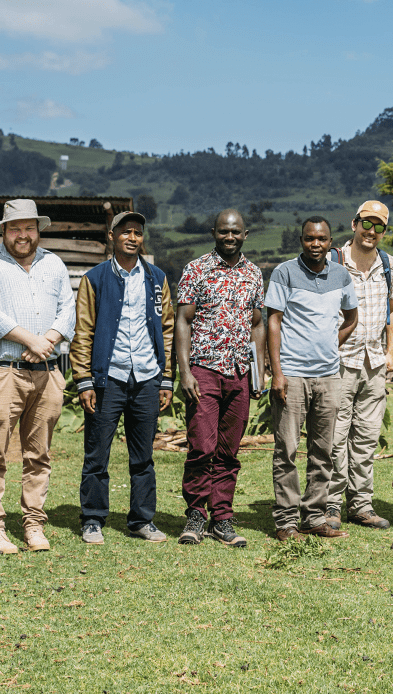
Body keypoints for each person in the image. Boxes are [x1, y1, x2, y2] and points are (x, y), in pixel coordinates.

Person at [0, 199, 76, 554]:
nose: (22, 235)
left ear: (38, 230)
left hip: (46, 373)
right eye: (15, 228)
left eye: (29, 228)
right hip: (4, 372)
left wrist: (45, 342)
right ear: (4, 230)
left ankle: (33, 524)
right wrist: (31, 339)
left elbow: (68, 312)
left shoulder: (54, 264)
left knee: (39, 454)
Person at [72, 211, 174, 545]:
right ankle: (92, 519)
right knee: (97, 454)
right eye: (125, 232)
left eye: (138, 232)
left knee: (143, 457)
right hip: (107, 378)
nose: (132, 237)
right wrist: (84, 379)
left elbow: (168, 329)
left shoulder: (157, 278)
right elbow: (83, 330)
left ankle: (142, 520)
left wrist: (167, 378)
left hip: (146, 377)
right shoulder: (96, 278)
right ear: (112, 236)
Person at [174, 209, 266, 548]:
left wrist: (259, 371)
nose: (230, 237)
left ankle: (222, 517)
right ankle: (196, 514)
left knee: (228, 449)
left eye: (236, 232)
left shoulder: (254, 273)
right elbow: (183, 321)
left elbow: (257, 324)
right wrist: (184, 372)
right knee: (202, 446)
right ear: (214, 232)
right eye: (224, 231)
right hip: (204, 370)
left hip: (240, 372)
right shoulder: (197, 269)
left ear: (245, 234)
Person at [266, 217, 358, 540]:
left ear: (331, 242)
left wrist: (333, 344)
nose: (315, 244)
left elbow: (351, 317)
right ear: (301, 240)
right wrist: (276, 372)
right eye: (309, 239)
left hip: (329, 376)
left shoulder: (341, 275)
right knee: (287, 450)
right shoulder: (284, 273)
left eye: (321, 239)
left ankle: (314, 515)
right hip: (291, 374)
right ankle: (286, 521)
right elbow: (273, 322)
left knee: (323, 449)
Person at [327, 201, 393, 530]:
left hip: (374, 362)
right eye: (366, 224)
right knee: (334, 435)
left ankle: (361, 503)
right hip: (339, 361)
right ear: (355, 223)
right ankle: (330, 504)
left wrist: (390, 352)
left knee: (367, 437)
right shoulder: (334, 261)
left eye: (379, 227)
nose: (371, 232)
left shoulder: (389, 264)